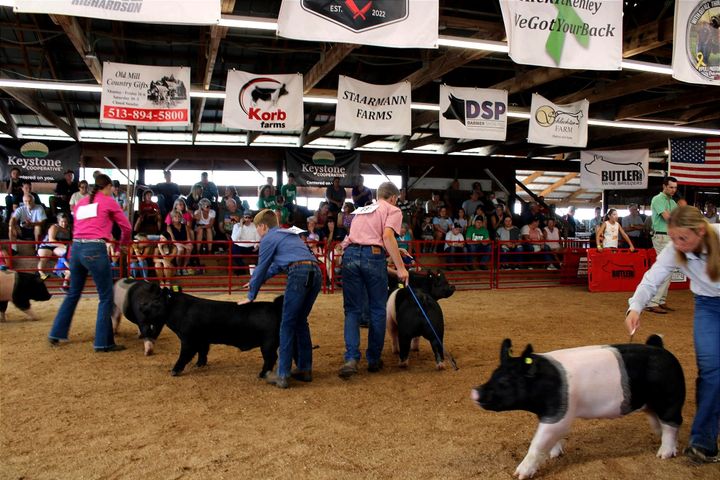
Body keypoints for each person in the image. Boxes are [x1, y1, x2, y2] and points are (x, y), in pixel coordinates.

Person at [625, 206, 720, 464]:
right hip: (708, 306)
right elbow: (651, 279)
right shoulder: (675, 249)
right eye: (673, 238)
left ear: (701, 231)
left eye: (682, 239)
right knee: (711, 371)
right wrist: (635, 307)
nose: (677, 244)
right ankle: (704, 441)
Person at [238, 209, 322, 389]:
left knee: (287, 323)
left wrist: (251, 295)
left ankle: (282, 374)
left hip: (299, 272)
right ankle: (305, 369)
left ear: (263, 226)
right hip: (316, 272)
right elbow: (274, 268)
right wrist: (254, 281)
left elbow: (262, 266)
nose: (257, 233)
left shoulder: (268, 238)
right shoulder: (287, 235)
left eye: (257, 228)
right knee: (300, 321)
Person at [48, 174, 133, 352]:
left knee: (73, 293)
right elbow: (126, 227)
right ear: (108, 187)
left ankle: (56, 333)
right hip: (95, 249)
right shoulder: (109, 201)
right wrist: (123, 245)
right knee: (105, 297)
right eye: (112, 188)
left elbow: (79, 226)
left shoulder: (81, 203)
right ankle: (103, 342)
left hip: (76, 249)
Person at [338, 181, 408, 379]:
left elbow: (354, 238)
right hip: (373, 255)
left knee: (352, 310)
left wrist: (392, 249)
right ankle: (373, 359)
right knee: (378, 308)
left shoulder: (362, 209)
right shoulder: (392, 210)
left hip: (351, 255)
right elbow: (387, 236)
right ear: (393, 198)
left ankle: (351, 358)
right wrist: (401, 268)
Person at [645, 176, 678, 314]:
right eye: (671, 187)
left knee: (668, 270)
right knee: (665, 269)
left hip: (668, 237)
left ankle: (661, 300)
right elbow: (669, 218)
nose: (673, 190)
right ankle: (653, 302)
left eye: (675, 188)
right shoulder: (658, 199)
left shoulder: (672, 202)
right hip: (661, 236)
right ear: (664, 186)